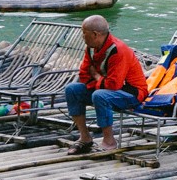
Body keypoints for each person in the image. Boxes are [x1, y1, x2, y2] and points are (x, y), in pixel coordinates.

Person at [63, 15, 148, 154]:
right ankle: (85, 137)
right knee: (72, 89)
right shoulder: (91, 48)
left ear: (95, 34)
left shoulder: (118, 50)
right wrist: (98, 80)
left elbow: (113, 85)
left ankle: (109, 141)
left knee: (100, 95)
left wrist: (96, 76)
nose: (82, 36)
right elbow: (84, 74)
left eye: (84, 33)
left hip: (132, 92)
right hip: (105, 88)